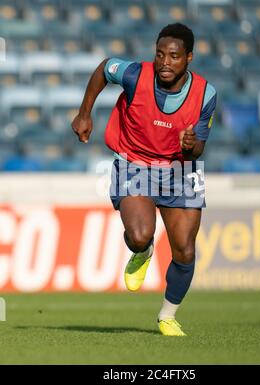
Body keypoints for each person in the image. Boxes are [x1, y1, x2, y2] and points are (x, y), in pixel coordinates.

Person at [72, 23, 216, 336]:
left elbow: (198, 149)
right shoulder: (136, 75)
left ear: (188, 58)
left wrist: (191, 146)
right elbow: (102, 68)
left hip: (180, 170)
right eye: (160, 54)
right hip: (135, 164)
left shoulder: (206, 94)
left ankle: (167, 316)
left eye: (174, 56)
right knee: (139, 235)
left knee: (186, 252)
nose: (165, 62)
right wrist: (85, 113)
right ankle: (143, 251)